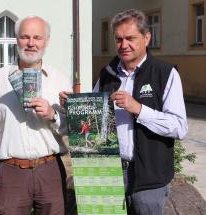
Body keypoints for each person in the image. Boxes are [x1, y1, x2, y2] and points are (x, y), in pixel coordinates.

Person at [60, 9, 188, 215]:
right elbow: (92, 122)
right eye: (118, 39)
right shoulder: (107, 73)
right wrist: (74, 106)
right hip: (107, 173)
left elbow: (179, 127)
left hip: (149, 178)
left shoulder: (165, 73)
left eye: (130, 38)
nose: (123, 45)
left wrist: (138, 109)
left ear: (147, 38)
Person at [0, 16, 72, 215]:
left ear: (46, 41)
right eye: (25, 37)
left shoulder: (59, 78)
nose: (31, 43)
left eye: (37, 37)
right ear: (16, 39)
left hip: (50, 169)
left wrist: (53, 114)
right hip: (12, 172)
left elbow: (72, 128)